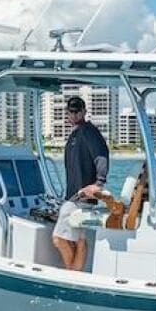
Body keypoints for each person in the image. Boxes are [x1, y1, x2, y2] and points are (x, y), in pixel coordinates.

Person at [51, 94, 110, 272]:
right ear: (67, 113)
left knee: (58, 239)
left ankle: (72, 275)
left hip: (80, 197)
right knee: (80, 239)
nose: (75, 115)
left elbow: (102, 155)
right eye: (71, 112)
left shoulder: (87, 132)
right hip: (76, 196)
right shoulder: (77, 132)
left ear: (84, 111)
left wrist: (99, 184)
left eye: (78, 111)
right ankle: (76, 275)